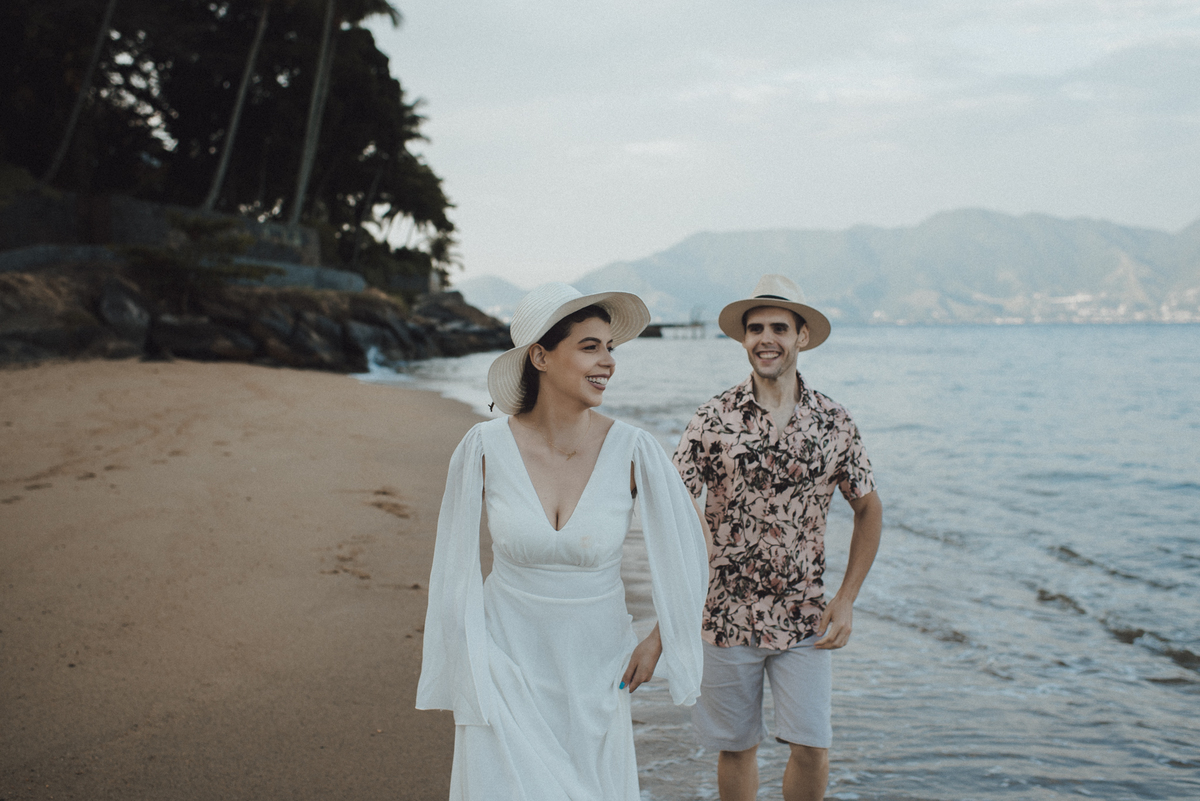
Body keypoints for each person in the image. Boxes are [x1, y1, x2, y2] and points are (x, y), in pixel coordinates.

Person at [416, 282, 709, 800]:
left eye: (610, 348)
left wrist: (659, 639)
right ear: (541, 357)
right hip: (504, 662)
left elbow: (695, 545)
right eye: (590, 347)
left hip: (597, 673)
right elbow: (452, 566)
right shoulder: (483, 448)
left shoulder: (634, 450)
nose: (608, 362)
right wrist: (469, 657)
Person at [672, 274, 883, 801]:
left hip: (805, 614)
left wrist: (847, 599)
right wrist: (696, 561)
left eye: (779, 328)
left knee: (812, 746)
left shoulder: (834, 422)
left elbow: (868, 508)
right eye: (756, 329)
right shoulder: (713, 418)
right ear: (744, 339)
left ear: (801, 336)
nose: (766, 338)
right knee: (736, 747)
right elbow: (672, 499)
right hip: (724, 614)